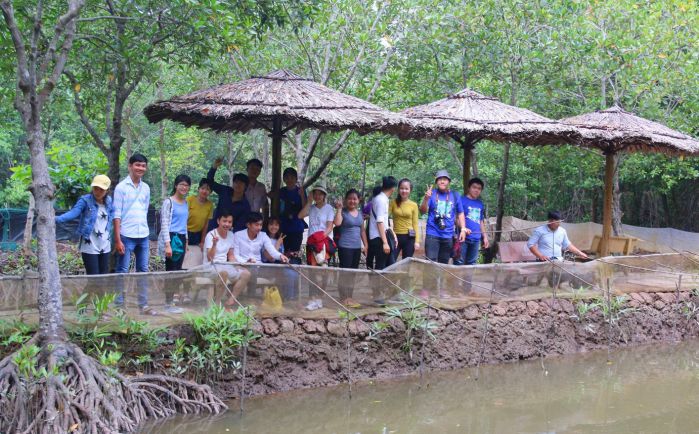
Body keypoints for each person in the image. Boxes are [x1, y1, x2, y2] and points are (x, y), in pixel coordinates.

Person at [113, 153, 155, 315]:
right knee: (122, 270)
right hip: (126, 235)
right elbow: (116, 214)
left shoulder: (146, 188)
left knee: (143, 270)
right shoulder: (121, 187)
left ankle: (143, 305)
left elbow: (144, 211)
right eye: (137, 165)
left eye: (143, 165)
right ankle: (119, 306)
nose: (140, 168)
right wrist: (118, 239)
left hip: (143, 235)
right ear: (130, 166)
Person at [56, 174, 114, 276]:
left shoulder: (109, 201)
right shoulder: (85, 200)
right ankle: (91, 293)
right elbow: (73, 213)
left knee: (104, 275)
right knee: (93, 275)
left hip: (105, 243)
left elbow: (113, 217)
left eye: (102, 189)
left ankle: (101, 293)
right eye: (96, 188)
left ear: (107, 190)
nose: (98, 192)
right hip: (89, 243)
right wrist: (56, 219)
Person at [203, 210, 251, 310]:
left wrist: (238, 264)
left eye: (229, 222)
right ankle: (216, 304)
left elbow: (231, 255)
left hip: (225, 265)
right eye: (224, 221)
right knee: (224, 273)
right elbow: (210, 258)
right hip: (210, 266)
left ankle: (230, 302)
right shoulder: (211, 235)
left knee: (246, 273)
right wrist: (214, 244)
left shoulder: (231, 235)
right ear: (218, 221)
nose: (227, 224)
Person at [157, 175, 191, 314]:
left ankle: (171, 301)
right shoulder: (168, 202)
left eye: (187, 185)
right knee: (171, 270)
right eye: (181, 184)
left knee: (177, 271)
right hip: (171, 237)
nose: (184, 187)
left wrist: (186, 241)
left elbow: (184, 223)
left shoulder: (186, 203)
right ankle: (168, 302)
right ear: (176, 185)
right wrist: (167, 244)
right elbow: (164, 223)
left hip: (181, 239)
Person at [298, 184, 335, 310]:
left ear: (324, 195)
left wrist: (320, 238)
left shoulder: (329, 208)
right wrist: (308, 202)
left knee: (323, 272)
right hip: (311, 244)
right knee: (312, 272)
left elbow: (330, 226)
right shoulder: (312, 207)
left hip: (323, 244)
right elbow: (300, 215)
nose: (317, 196)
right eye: (315, 193)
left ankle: (319, 298)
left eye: (320, 193)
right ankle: (312, 299)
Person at [420, 170, 467, 264]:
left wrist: (463, 229)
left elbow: (461, 213)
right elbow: (422, 211)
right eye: (440, 179)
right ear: (436, 182)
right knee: (430, 263)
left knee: (444, 264)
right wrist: (426, 199)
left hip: (448, 235)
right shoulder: (431, 194)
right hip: (432, 234)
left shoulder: (455, 195)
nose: (442, 181)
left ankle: (441, 279)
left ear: (449, 182)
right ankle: (431, 279)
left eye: (445, 179)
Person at [333, 189, 368, 308]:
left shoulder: (360, 214)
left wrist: (366, 245)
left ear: (359, 200)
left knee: (353, 273)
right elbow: (337, 223)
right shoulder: (342, 212)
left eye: (355, 199)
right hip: (345, 247)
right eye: (350, 198)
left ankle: (349, 296)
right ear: (345, 200)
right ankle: (344, 297)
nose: (352, 201)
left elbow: (362, 230)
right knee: (345, 272)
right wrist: (338, 209)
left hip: (356, 248)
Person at [207, 158, 251, 233]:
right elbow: (210, 182)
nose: (238, 185)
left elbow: (240, 226)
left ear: (246, 186)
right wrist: (214, 167)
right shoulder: (225, 190)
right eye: (236, 182)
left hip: (229, 234)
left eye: (241, 183)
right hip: (213, 229)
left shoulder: (245, 205)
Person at [368, 176, 398, 271]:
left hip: (381, 236)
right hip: (378, 238)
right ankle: (377, 285)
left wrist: (393, 234)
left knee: (388, 265)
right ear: (393, 188)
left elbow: (384, 222)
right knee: (381, 266)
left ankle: (383, 285)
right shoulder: (381, 200)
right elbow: (380, 222)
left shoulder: (382, 198)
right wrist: (385, 243)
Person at [278, 167, 306, 261]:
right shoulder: (281, 191)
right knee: (283, 253)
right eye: (287, 177)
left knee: (294, 254)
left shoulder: (300, 191)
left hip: (296, 228)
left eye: (292, 177)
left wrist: (302, 196)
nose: (289, 180)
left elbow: (305, 208)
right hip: (283, 228)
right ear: (284, 179)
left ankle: (294, 274)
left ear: (296, 178)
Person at [460, 177, 490, 265]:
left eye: (479, 188)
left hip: (476, 239)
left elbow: (480, 221)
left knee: (472, 264)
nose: (476, 190)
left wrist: (484, 237)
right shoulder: (461, 201)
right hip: (463, 238)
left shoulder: (480, 203)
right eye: (474, 187)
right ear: (469, 188)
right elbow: (456, 219)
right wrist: (463, 228)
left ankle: (468, 280)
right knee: (459, 262)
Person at [390, 178, 420, 260]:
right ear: (398, 189)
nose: (404, 191)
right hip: (395, 236)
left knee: (406, 263)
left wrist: (417, 241)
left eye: (406, 189)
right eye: (402, 188)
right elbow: (385, 217)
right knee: (390, 261)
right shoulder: (393, 203)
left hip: (409, 238)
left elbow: (415, 224)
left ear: (410, 190)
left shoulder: (413, 205)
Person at [187, 178, 213, 248]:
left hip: (198, 234)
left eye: (207, 189)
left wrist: (202, 241)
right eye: (202, 188)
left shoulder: (210, 205)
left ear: (210, 192)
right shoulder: (190, 199)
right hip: (186, 232)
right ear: (198, 189)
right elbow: (183, 219)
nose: (204, 191)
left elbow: (206, 225)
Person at [363, 185, 382, 269]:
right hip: (379, 231)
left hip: (370, 230)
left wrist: (369, 216)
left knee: (370, 253)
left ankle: (369, 269)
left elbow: (363, 214)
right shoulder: (382, 202)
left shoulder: (370, 203)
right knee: (379, 253)